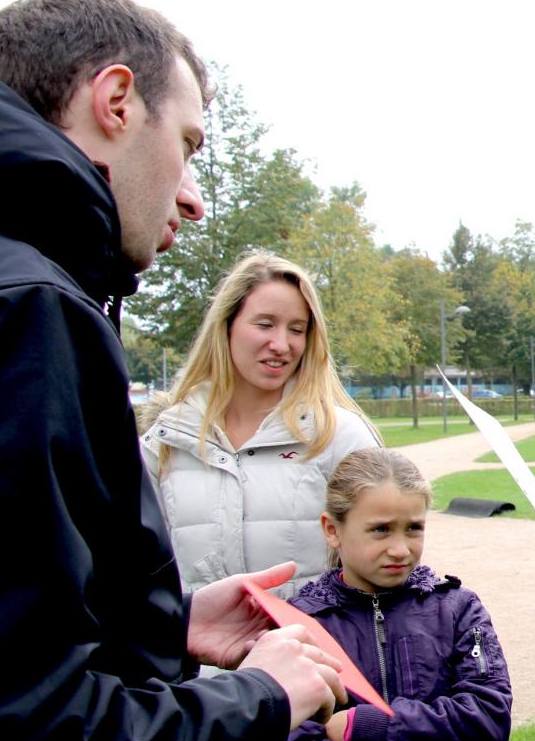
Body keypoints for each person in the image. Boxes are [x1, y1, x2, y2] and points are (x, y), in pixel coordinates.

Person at [0, 0, 346, 741]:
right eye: (184, 148)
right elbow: (19, 721)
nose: (193, 199)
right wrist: (260, 697)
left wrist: (159, 625)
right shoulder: (27, 305)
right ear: (114, 103)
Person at [274, 448, 512, 741]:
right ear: (332, 529)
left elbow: (488, 722)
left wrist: (370, 728)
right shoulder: (298, 626)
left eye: (413, 528)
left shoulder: (458, 609)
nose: (400, 548)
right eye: (380, 530)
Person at [142, 250, 382, 596]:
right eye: (265, 324)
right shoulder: (165, 442)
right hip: (195, 650)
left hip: (314, 648)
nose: (281, 344)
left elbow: (387, 564)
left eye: (296, 329)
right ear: (227, 325)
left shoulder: (341, 437)